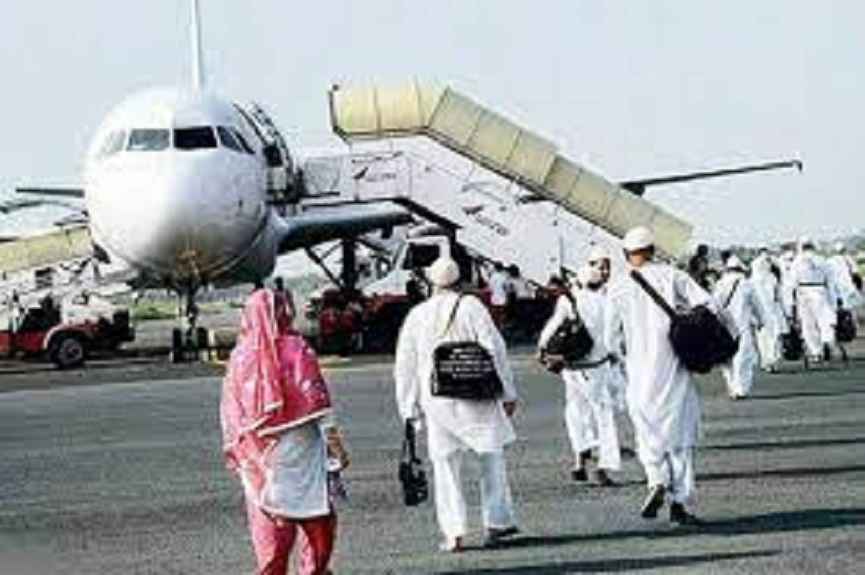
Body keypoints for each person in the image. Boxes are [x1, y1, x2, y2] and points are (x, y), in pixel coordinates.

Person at [394, 256, 520, 552]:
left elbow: (405, 365)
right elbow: (494, 348)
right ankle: (497, 522)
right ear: (459, 281)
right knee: (491, 457)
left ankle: (454, 533)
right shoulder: (472, 306)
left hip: (436, 399)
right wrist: (508, 392)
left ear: (431, 283)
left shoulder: (418, 314)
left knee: (445, 465)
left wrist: (408, 409)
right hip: (477, 392)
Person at [221, 289, 348, 575]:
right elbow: (318, 403)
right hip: (302, 450)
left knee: (269, 518)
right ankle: (314, 569)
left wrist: (240, 451)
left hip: (259, 453)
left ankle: (272, 569)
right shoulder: (297, 348)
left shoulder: (240, 357)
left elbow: (230, 413)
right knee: (316, 515)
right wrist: (337, 446)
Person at [605, 226, 715, 525]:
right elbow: (708, 304)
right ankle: (680, 502)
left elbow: (609, 339)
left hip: (639, 373)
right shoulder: (672, 275)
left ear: (627, 255)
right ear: (653, 249)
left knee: (647, 433)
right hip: (674, 367)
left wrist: (623, 357)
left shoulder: (617, 287)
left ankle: (656, 479)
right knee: (680, 437)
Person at [538, 264, 621, 486]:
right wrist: (615, 356)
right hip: (596, 366)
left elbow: (551, 327)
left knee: (575, 411)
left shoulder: (569, 301)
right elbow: (613, 337)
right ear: (600, 283)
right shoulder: (608, 302)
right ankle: (604, 467)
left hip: (571, 367)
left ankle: (579, 460)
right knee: (603, 415)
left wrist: (542, 349)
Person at [714, 256, 766, 399]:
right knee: (743, 357)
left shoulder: (720, 284)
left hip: (724, 326)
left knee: (726, 358)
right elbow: (757, 305)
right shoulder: (746, 284)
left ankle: (731, 386)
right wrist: (762, 320)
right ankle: (741, 388)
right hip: (742, 324)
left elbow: (714, 305)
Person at [790, 238, 838, 363]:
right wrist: (833, 301)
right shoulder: (822, 260)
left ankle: (816, 352)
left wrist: (791, 302)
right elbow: (831, 281)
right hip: (820, 290)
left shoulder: (797, 261)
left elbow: (791, 282)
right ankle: (827, 341)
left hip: (803, 292)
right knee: (824, 320)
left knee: (808, 324)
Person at [750, 248, 788, 373]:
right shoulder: (771, 278)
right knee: (773, 337)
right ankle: (772, 360)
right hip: (771, 312)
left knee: (763, 338)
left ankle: (767, 361)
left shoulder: (752, 281)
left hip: (762, 314)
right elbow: (779, 296)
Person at [827, 242, 862, 313]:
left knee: (840, 309)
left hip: (835, 289)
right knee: (854, 309)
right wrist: (859, 287)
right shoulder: (848, 259)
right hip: (848, 288)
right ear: (844, 250)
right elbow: (856, 274)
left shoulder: (829, 261)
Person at [488, 262, 510, 329]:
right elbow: (507, 288)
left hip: (494, 298)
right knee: (502, 313)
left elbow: (490, 287)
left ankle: (495, 326)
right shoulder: (504, 277)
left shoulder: (492, 277)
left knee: (495, 314)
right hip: (502, 298)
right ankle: (502, 326)